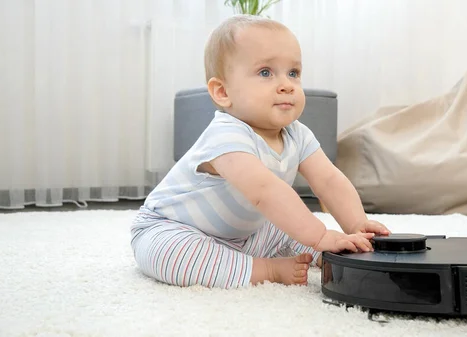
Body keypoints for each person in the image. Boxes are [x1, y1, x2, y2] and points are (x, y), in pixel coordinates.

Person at [130, 14, 390, 289]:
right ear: (222, 92)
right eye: (266, 72)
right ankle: (265, 269)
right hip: (173, 228)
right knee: (173, 255)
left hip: (246, 233)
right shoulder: (226, 135)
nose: (286, 84)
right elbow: (265, 192)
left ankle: (321, 252)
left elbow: (329, 180)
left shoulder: (297, 133)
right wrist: (320, 236)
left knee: (285, 226)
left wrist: (356, 224)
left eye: (293, 73)